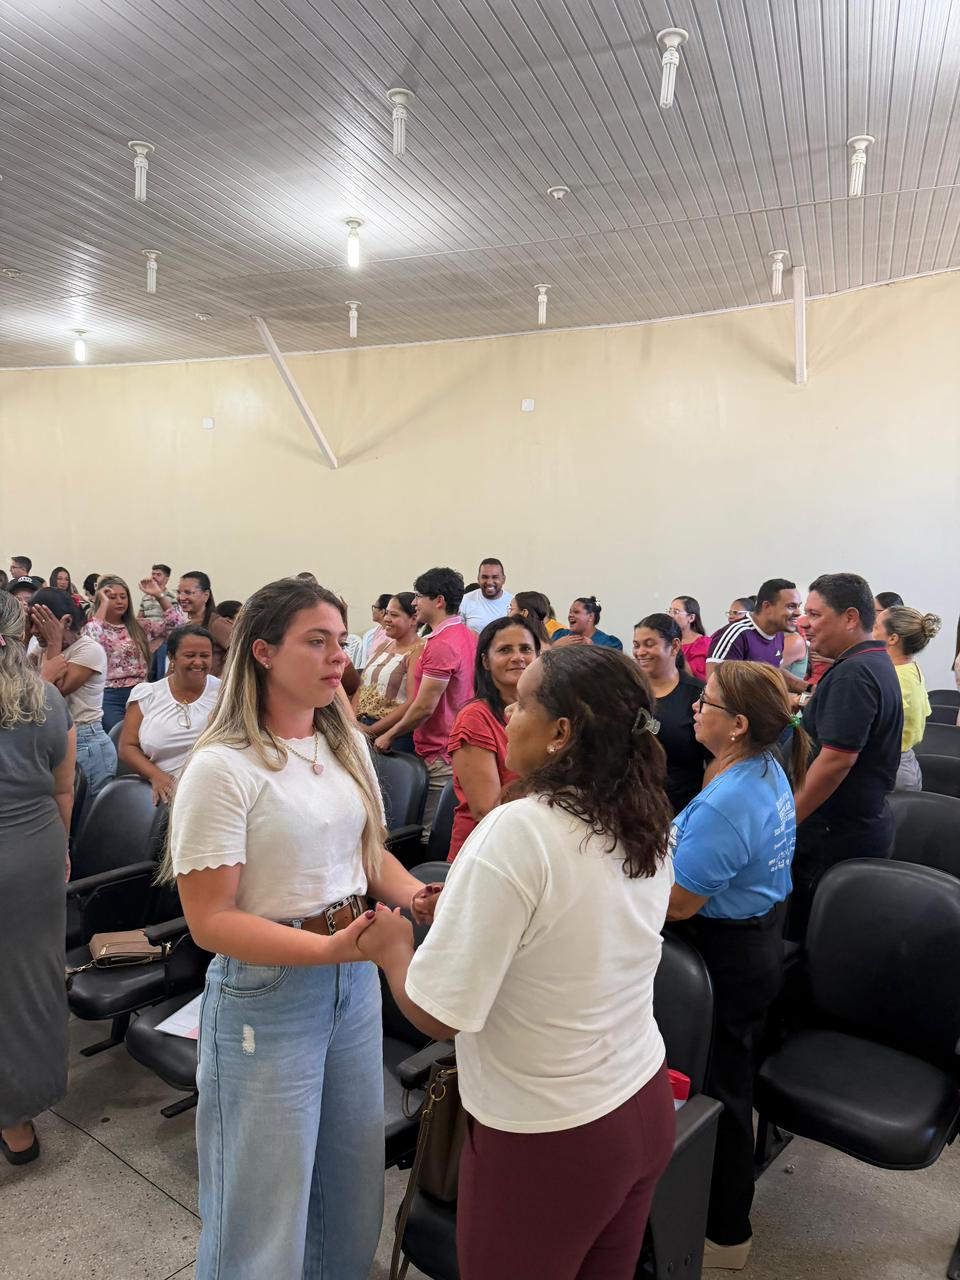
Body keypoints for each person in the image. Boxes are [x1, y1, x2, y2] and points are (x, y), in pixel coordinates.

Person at [360, 647, 675, 1280]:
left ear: (562, 733)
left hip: (551, 1135)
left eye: (524, 702)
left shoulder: (518, 828)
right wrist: (479, 907)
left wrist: (393, 952)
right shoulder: (643, 814)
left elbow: (440, 1015)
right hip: (640, 1099)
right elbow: (574, 928)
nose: (509, 710)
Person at [166, 577, 442, 1280]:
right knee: (262, 1202)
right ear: (261, 651)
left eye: (338, 643)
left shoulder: (341, 741)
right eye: (314, 642)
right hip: (271, 988)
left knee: (350, 1182)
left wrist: (416, 897)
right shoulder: (222, 768)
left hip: (353, 977)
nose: (335, 659)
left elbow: (367, 851)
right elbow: (212, 921)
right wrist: (331, 947)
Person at [667, 662, 810, 1272]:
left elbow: (677, 902)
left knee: (720, 1092)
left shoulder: (731, 798)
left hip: (726, 951)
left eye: (708, 701)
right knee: (729, 1078)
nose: (696, 707)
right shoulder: (759, 765)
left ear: (739, 724)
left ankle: (726, 1232)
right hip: (754, 936)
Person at [0, 589, 76, 1166]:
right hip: (33, 853)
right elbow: (63, 786)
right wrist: (63, 848)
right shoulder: (46, 698)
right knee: (27, 984)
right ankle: (18, 1122)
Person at [789, 574, 903, 940]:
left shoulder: (855, 673)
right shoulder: (869, 661)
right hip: (846, 828)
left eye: (815, 614)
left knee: (817, 942)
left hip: (834, 836)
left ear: (851, 617)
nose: (804, 622)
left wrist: (785, 822)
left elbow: (836, 761)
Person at [375, 567, 478, 830]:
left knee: (427, 831)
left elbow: (424, 706)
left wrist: (389, 734)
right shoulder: (468, 635)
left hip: (439, 750)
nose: (414, 602)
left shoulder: (441, 643)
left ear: (439, 601)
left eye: (419, 596)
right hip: (453, 742)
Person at [447, 616, 540, 860]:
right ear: (486, 662)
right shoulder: (475, 718)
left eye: (526, 649)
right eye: (505, 650)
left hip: (536, 844)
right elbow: (486, 810)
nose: (518, 657)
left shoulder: (550, 715)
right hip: (488, 852)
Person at [29, 588, 116, 800]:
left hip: (86, 744)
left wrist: (53, 642)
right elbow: (23, 683)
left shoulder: (88, 650)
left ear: (65, 622)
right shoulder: (42, 650)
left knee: (85, 824)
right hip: (56, 741)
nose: (33, 631)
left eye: (39, 623)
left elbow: (53, 694)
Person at [119, 624, 221, 804]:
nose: (198, 662)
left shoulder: (224, 693)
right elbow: (127, 747)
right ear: (172, 657)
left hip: (214, 790)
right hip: (164, 794)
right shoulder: (147, 694)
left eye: (205, 656)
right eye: (190, 656)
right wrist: (157, 776)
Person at [83, 574, 185, 731]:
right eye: (112, 597)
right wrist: (102, 603)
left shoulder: (140, 626)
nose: (119, 601)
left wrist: (159, 596)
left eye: (123, 597)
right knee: (118, 736)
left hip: (141, 692)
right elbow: (91, 639)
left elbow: (179, 627)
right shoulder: (96, 627)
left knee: (144, 737)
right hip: (110, 695)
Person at [633, 614, 710, 813]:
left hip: (679, 809)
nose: (640, 652)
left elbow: (714, 759)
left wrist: (700, 810)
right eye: (636, 645)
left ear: (674, 646)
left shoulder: (697, 695)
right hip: (630, 805)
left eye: (649, 644)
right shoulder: (627, 691)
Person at [873, 606, 941, 791]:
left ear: (893, 638)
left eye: (876, 626)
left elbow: (877, 726)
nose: (871, 630)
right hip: (904, 762)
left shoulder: (892, 676)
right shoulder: (913, 668)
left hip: (891, 769)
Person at [352, 592, 423, 753]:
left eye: (394, 615)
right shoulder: (382, 647)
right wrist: (352, 722)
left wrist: (373, 731)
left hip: (391, 736)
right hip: (361, 728)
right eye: (386, 613)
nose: (386, 619)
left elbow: (412, 702)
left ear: (413, 619)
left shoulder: (419, 651)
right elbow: (361, 687)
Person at [707, 579, 805, 691]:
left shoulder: (778, 635)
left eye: (798, 606)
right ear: (767, 606)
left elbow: (774, 672)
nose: (798, 613)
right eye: (791, 606)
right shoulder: (736, 634)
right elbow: (715, 687)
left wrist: (808, 688)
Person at [459, 558, 514, 633]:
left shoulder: (513, 603)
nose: (489, 582)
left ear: (503, 579)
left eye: (495, 577)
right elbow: (458, 634)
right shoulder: (465, 601)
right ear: (478, 579)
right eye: (485, 577)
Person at [552, 596, 623, 649]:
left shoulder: (609, 644)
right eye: (570, 612)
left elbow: (612, 666)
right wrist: (555, 646)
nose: (570, 615)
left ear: (591, 617)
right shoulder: (560, 635)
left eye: (576, 612)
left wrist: (592, 649)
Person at [669, 596, 710, 681]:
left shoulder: (704, 643)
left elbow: (699, 680)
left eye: (676, 612)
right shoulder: (667, 641)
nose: (671, 616)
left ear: (691, 618)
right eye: (670, 611)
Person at [359, 594, 391, 668]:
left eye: (374, 607)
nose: (373, 610)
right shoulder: (379, 629)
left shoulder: (390, 634)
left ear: (382, 612)